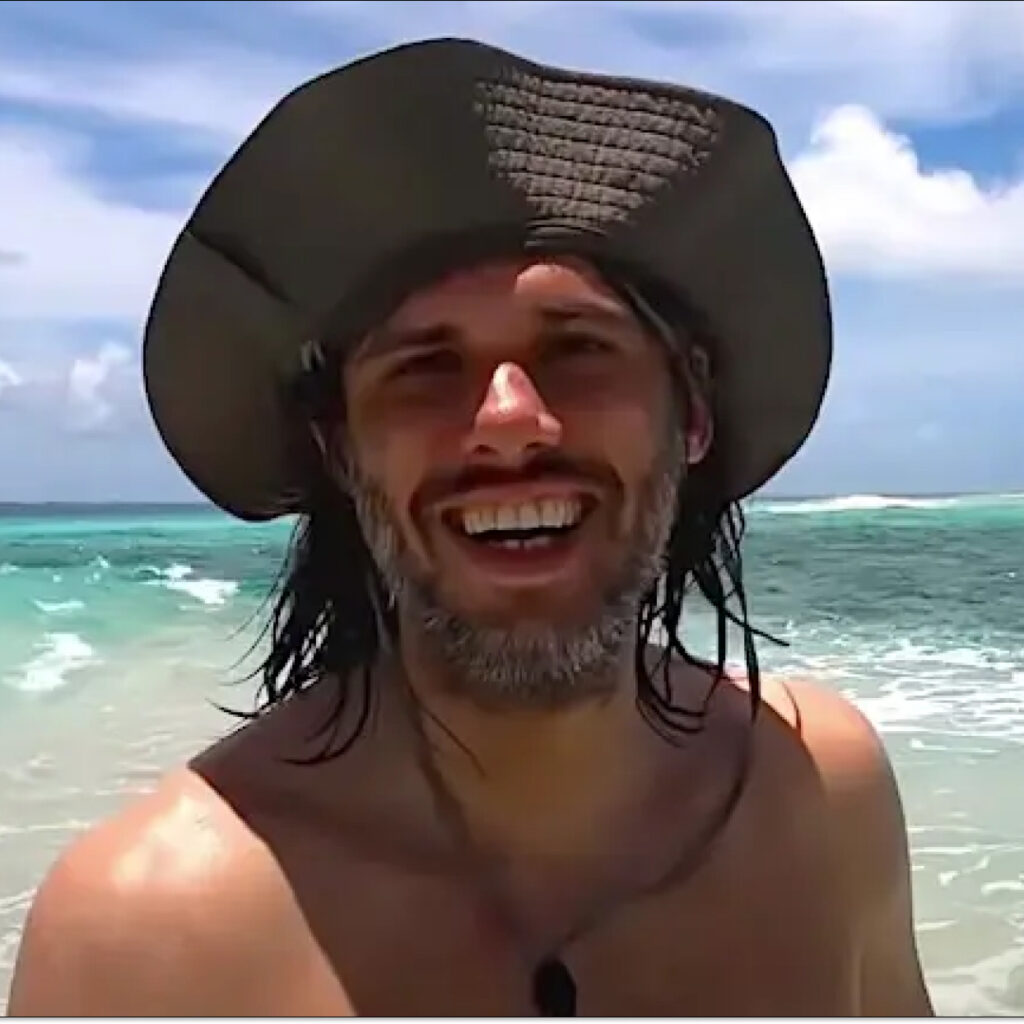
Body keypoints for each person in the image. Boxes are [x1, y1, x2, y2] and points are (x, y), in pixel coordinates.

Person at [6, 37, 932, 1017]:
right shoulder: (154, 931)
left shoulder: (821, 791)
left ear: (691, 411)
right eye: (424, 368)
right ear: (339, 449)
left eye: (577, 349)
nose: (508, 420)